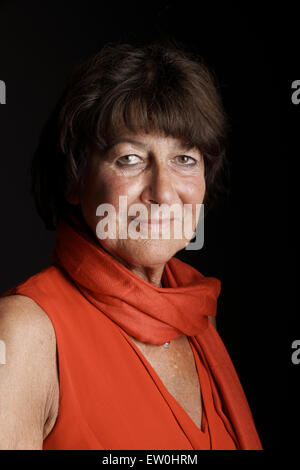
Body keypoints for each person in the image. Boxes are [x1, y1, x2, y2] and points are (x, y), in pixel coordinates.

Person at [0, 40, 262, 450]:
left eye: (185, 159)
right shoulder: (24, 333)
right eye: (130, 158)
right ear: (74, 178)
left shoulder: (197, 320)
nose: (162, 192)